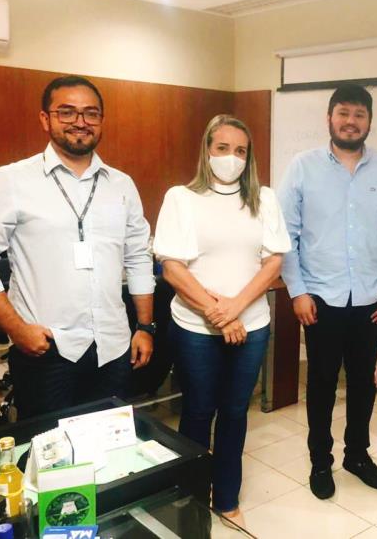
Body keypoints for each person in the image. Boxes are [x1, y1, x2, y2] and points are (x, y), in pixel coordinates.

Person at [0, 75, 155, 420]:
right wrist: (17, 330)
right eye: (66, 112)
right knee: (49, 449)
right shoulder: (11, 181)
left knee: (112, 446)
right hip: (46, 350)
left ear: (101, 120)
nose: (80, 121)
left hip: (113, 348)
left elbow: (138, 257)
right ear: (45, 119)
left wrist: (145, 326)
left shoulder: (121, 185)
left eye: (91, 113)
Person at [153, 115, 290, 527]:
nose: (232, 157)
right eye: (223, 148)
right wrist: (218, 313)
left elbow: (274, 262)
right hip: (196, 328)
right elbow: (172, 267)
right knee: (198, 412)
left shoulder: (264, 198)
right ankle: (193, 499)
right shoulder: (181, 198)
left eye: (241, 151)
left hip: (252, 324)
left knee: (234, 412)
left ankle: (227, 497)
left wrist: (235, 307)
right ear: (207, 150)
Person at [278, 84, 377, 500]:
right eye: (343, 113)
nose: (350, 122)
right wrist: (297, 292)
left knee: (361, 382)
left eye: (359, 114)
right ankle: (321, 461)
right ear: (329, 118)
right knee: (321, 384)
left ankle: (357, 455)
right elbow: (285, 235)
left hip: (372, 299)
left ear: (369, 121)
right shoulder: (302, 167)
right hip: (320, 298)